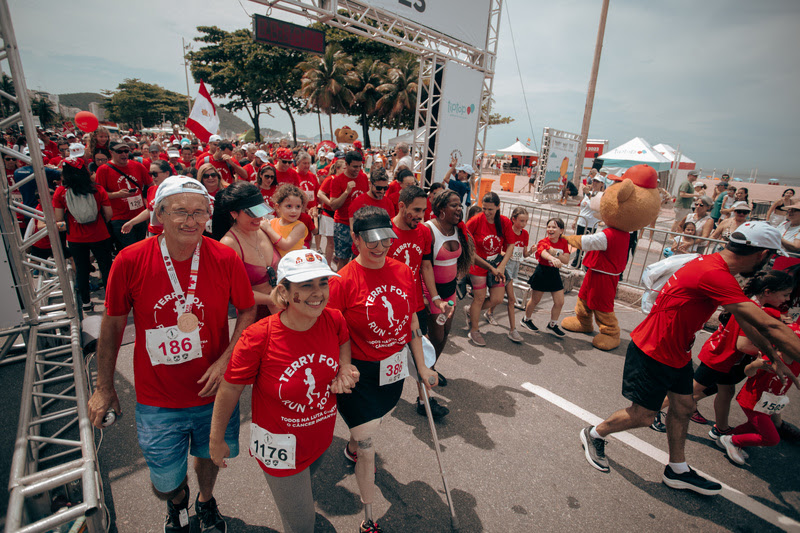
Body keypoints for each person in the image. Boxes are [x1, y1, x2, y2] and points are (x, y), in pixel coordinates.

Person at [580, 221, 800, 496]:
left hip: (678, 351)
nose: (768, 264)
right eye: (770, 257)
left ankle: (677, 469)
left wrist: (773, 357)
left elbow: (747, 322)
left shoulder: (714, 266)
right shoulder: (714, 273)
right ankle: (594, 434)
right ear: (761, 254)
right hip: (654, 349)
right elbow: (770, 326)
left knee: (683, 407)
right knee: (645, 415)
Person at [87, 176, 256, 533]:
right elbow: (114, 324)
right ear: (159, 214)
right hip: (157, 398)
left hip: (213, 392)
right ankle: (177, 501)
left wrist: (227, 359)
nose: (191, 221)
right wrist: (104, 386)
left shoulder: (224, 256)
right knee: (165, 479)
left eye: (199, 212)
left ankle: (206, 501)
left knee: (211, 458)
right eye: (180, 212)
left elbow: (246, 310)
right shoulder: (130, 260)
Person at [209, 250, 359, 533]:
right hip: (280, 449)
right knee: (302, 525)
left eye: (323, 283)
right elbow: (230, 389)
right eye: (306, 285)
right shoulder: (258, 337)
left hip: (320, 439)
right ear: (284, 292)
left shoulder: (334, 319)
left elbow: (344, 343)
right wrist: (216, 439)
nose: (318, 293)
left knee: (301, 498)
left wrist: (345, 369)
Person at [328, 206, 438, 533]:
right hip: (357, 375)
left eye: (385, 238)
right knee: (367, 447)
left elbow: (412, 320)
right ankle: (368, 518)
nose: (380, 246)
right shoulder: (342, 281)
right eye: (371, 240)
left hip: (391, 373)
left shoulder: (404, 272)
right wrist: (341, 367)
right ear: (356, 240)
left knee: (369, 429)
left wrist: (422, 366)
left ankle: (351, 445)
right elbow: (331, 330)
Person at [650, 270, 794, 434]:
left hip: (726, 358)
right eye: (785, 295)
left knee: (726, 392)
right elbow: (743, 345)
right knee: (689, 390)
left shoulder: (752, 304)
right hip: (718, 357)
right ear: (767, 292)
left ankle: (721, 428)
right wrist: (773, 351)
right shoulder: (751, 309)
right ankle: (652, 410)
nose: (787, 299)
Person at [387, 185, 449, 418]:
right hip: (390, 308)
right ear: (401, 206)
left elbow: (425, 266)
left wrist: (435, 298)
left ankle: (425, 401)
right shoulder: (386, 232)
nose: (422, 216)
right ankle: (378, 403)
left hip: (415, 306)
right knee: (388, 355)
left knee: (421, 352)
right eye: (416, 210)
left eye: (424, 210)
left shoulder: (423, 232)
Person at [719, 329, 800, 465]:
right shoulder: (770, 358)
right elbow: (748, 372)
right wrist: (756, 365)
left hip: (768, 403)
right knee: (772, 438)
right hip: (753, 402)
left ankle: (726, 438)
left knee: (754, 426)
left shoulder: (797, 362)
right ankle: (732, 441)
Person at [52, 158, 113, 311]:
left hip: (75, 237)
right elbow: (109, 214)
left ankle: (86, 302)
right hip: (99, 234)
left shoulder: (61, 192)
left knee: (82, 268)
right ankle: (110, 301)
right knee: (105, 268)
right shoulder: (97, 189)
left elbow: (58, 219)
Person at [213, 180, 280, 320]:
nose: (259, 217)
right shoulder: (229, 244)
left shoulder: (264, 227)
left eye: (260, 211)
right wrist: (274, 300)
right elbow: (235, 292)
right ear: (234, 214)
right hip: (253, 316)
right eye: (252, 213)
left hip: (281, 310)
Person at [424, 190, 475, 372]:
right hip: (432, 293)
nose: (459, 209)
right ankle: (422, 368)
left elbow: (469, 256)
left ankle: (431, 368)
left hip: (450, 292)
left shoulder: (459, 230)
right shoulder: (429, 229)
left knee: (445, 332)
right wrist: (431, 296)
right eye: (454, 205)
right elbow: (424, 266)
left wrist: (492, 268)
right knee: (436, 336)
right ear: (441, 208)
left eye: (460, 205)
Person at [464, 191, 515, 346]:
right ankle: (474, 329)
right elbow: (465, 241)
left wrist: (502, 265)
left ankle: (470, 310)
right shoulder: (475, 220)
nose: (486, 212)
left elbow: (511, 244)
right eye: (484, 208)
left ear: (498, 207)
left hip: (496, 264)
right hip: (478, 264)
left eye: (490, 209)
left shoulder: (504, 222)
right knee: (479, 298)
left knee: (497, 299)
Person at [95, 140, 153, 249]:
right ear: (111, 152)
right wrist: (117, 194)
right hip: (119, 218)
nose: (124, 154)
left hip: (139, 216)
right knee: (130, 249)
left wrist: (149, 201)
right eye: (119, 151)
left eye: (126, 151)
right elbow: (99, 195)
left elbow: (151, 184)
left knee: (140, 247)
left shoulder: (137, 166)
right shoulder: (103, 170)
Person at [485, 207, 529, 343]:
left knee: (498, 297)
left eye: (526, 221)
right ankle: (512, 330)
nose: (524, 224)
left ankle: (484, 311)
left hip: (514, 266)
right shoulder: (506, 231)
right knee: (511, 299)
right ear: (513, 219)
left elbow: (524, 253)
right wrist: (504, 256)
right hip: (503, 267)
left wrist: (532, 251)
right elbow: (500, 248)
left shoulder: (525, 234)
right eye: (521, 220)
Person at [520, 218, 570, 337]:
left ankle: (552, 325)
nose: (550, 229)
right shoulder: (543, 241)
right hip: (542, 272)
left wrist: (556, 254)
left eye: (554, 227)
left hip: (554, 274)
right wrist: (552, 258)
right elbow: (543, 252)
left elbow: (566, 260)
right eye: (549, 227)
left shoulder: (563, 243)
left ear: (561, 230)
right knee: (535, 300)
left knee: (559, 302)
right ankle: (526, 319)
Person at [329, 151, 368, 268]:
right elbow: (333, 205)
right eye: (355, 166)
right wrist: (346, 192)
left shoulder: (364, 177)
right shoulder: (337, 180)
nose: (358, 169)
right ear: (346, 164)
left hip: (360, 225)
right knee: (343, 259)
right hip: (343, 224)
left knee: (360, 259)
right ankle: (341, 283)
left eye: (360, 166)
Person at [121, 159, 171, 237]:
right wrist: (131, 222)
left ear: (167, 173)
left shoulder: (174, 192)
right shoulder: (152, 189)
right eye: (150, 174)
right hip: (153, 232)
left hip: (168, 233)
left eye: (155, 174)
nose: (153, 177)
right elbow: (149, 210)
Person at [266, 183, 309, 257]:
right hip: (275, 265)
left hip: (292, 266)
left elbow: (285, 245)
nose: (294, 211)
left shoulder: (299, 226)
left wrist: (267, 228)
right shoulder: (272, 222)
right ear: (278, 207)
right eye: (289, 206)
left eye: (298, 207)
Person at [571, 175, 604, 268]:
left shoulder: (601, 195)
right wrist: (575, 219)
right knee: (578, 243)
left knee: (587, 245)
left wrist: (589, 194)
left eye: (597, 181)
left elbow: (595, 205)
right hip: (581, 222)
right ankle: (577, 262)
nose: (594, 183)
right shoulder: (588, 193)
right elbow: (582, 207)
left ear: (602, 184)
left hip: (590, 224)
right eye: (594, 181)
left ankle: (586, 264)